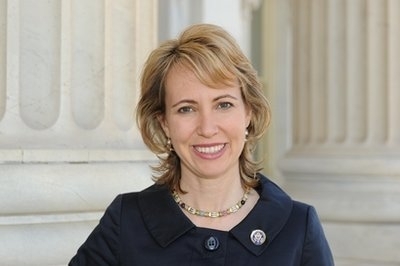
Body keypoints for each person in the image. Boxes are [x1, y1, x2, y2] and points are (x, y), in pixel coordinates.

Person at [69, 23, 334, 265]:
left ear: (248, 112)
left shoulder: (297, 228)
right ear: (164, 123)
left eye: (224, 105)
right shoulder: (126, 222)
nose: (207, 128)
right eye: (186, 109)